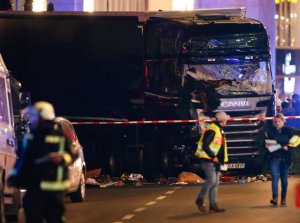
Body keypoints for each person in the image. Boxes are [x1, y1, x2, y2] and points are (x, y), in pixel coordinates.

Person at [8, 101, 78, 223]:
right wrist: (13, 177)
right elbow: (23, 159)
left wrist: (62, 158)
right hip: (36, 188)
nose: (33, 120)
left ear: (43, 117)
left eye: (35, 117)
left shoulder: (60, 136)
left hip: (53, 189)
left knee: (53, 218)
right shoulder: (31, 137)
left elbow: (74, 154)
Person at [194, 111, 229, 213]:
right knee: (212, 181)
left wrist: (222, 160)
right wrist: (213, 156)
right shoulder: (213, 130)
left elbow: (220, 147)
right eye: (226, 119)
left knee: (215, 182)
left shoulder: (219, 129)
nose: (227, 121)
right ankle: (199, 200)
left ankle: (213, 205)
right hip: (208, 160)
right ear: (223, 120)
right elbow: (205, 145)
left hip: (215, 160)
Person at [265, 113, 300, 206]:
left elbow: (295, 141)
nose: (277, 123)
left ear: (283, 121)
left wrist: (287, 146)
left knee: (284, 179)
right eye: (275, 121)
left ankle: (283, 198)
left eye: (279, 121)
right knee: (275, 178)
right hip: (274, 157)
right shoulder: (270, 131)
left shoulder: (289, 130)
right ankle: (275, 197)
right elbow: (267, 141)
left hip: (286, 158)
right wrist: (268, 145)